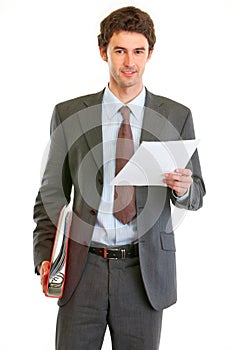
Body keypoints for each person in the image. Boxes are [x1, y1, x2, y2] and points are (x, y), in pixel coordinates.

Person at [33, 6, 206, 350]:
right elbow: (51, 193)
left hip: (143, 274)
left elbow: (197, 192)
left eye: (138, 51)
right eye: (120, 50)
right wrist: (43, 254)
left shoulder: (175, 115)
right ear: (103, 52)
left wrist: (184, 190)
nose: (130, 61)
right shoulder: (70, 114)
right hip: (83, 271)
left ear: (150, 54)